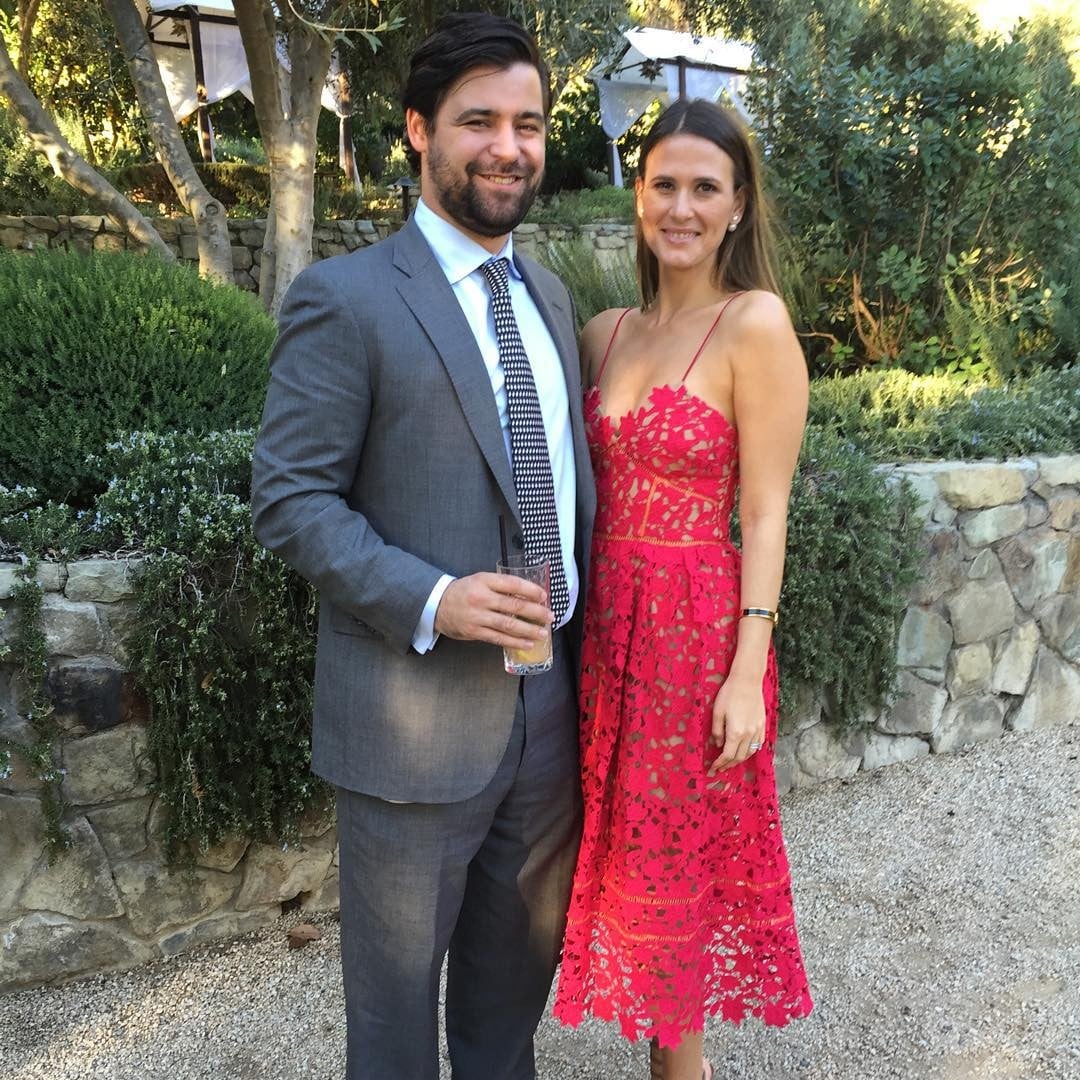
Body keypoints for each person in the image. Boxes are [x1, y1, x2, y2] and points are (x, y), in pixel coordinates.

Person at [250, 13, 595, 1080]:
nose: (508, 146)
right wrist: (436, 597)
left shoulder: (550, 294)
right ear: (417, 131)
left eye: (529, 123)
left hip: (548, 719)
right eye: (479, 120)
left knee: (504, 1024)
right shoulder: (346, 300)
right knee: (396, 1040)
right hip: (412, 733)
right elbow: (289, 499)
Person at [552, 99, 814, 1079]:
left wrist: (747, 668)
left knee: (672, 913)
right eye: (665, 182)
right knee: (623, 883)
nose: (683, 205)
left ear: (739, 204)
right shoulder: (602, 332)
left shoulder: (753, 323)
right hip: (603, 644)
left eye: (706, 186)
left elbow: (768, 511)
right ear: (638, 193)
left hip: (694, 647)